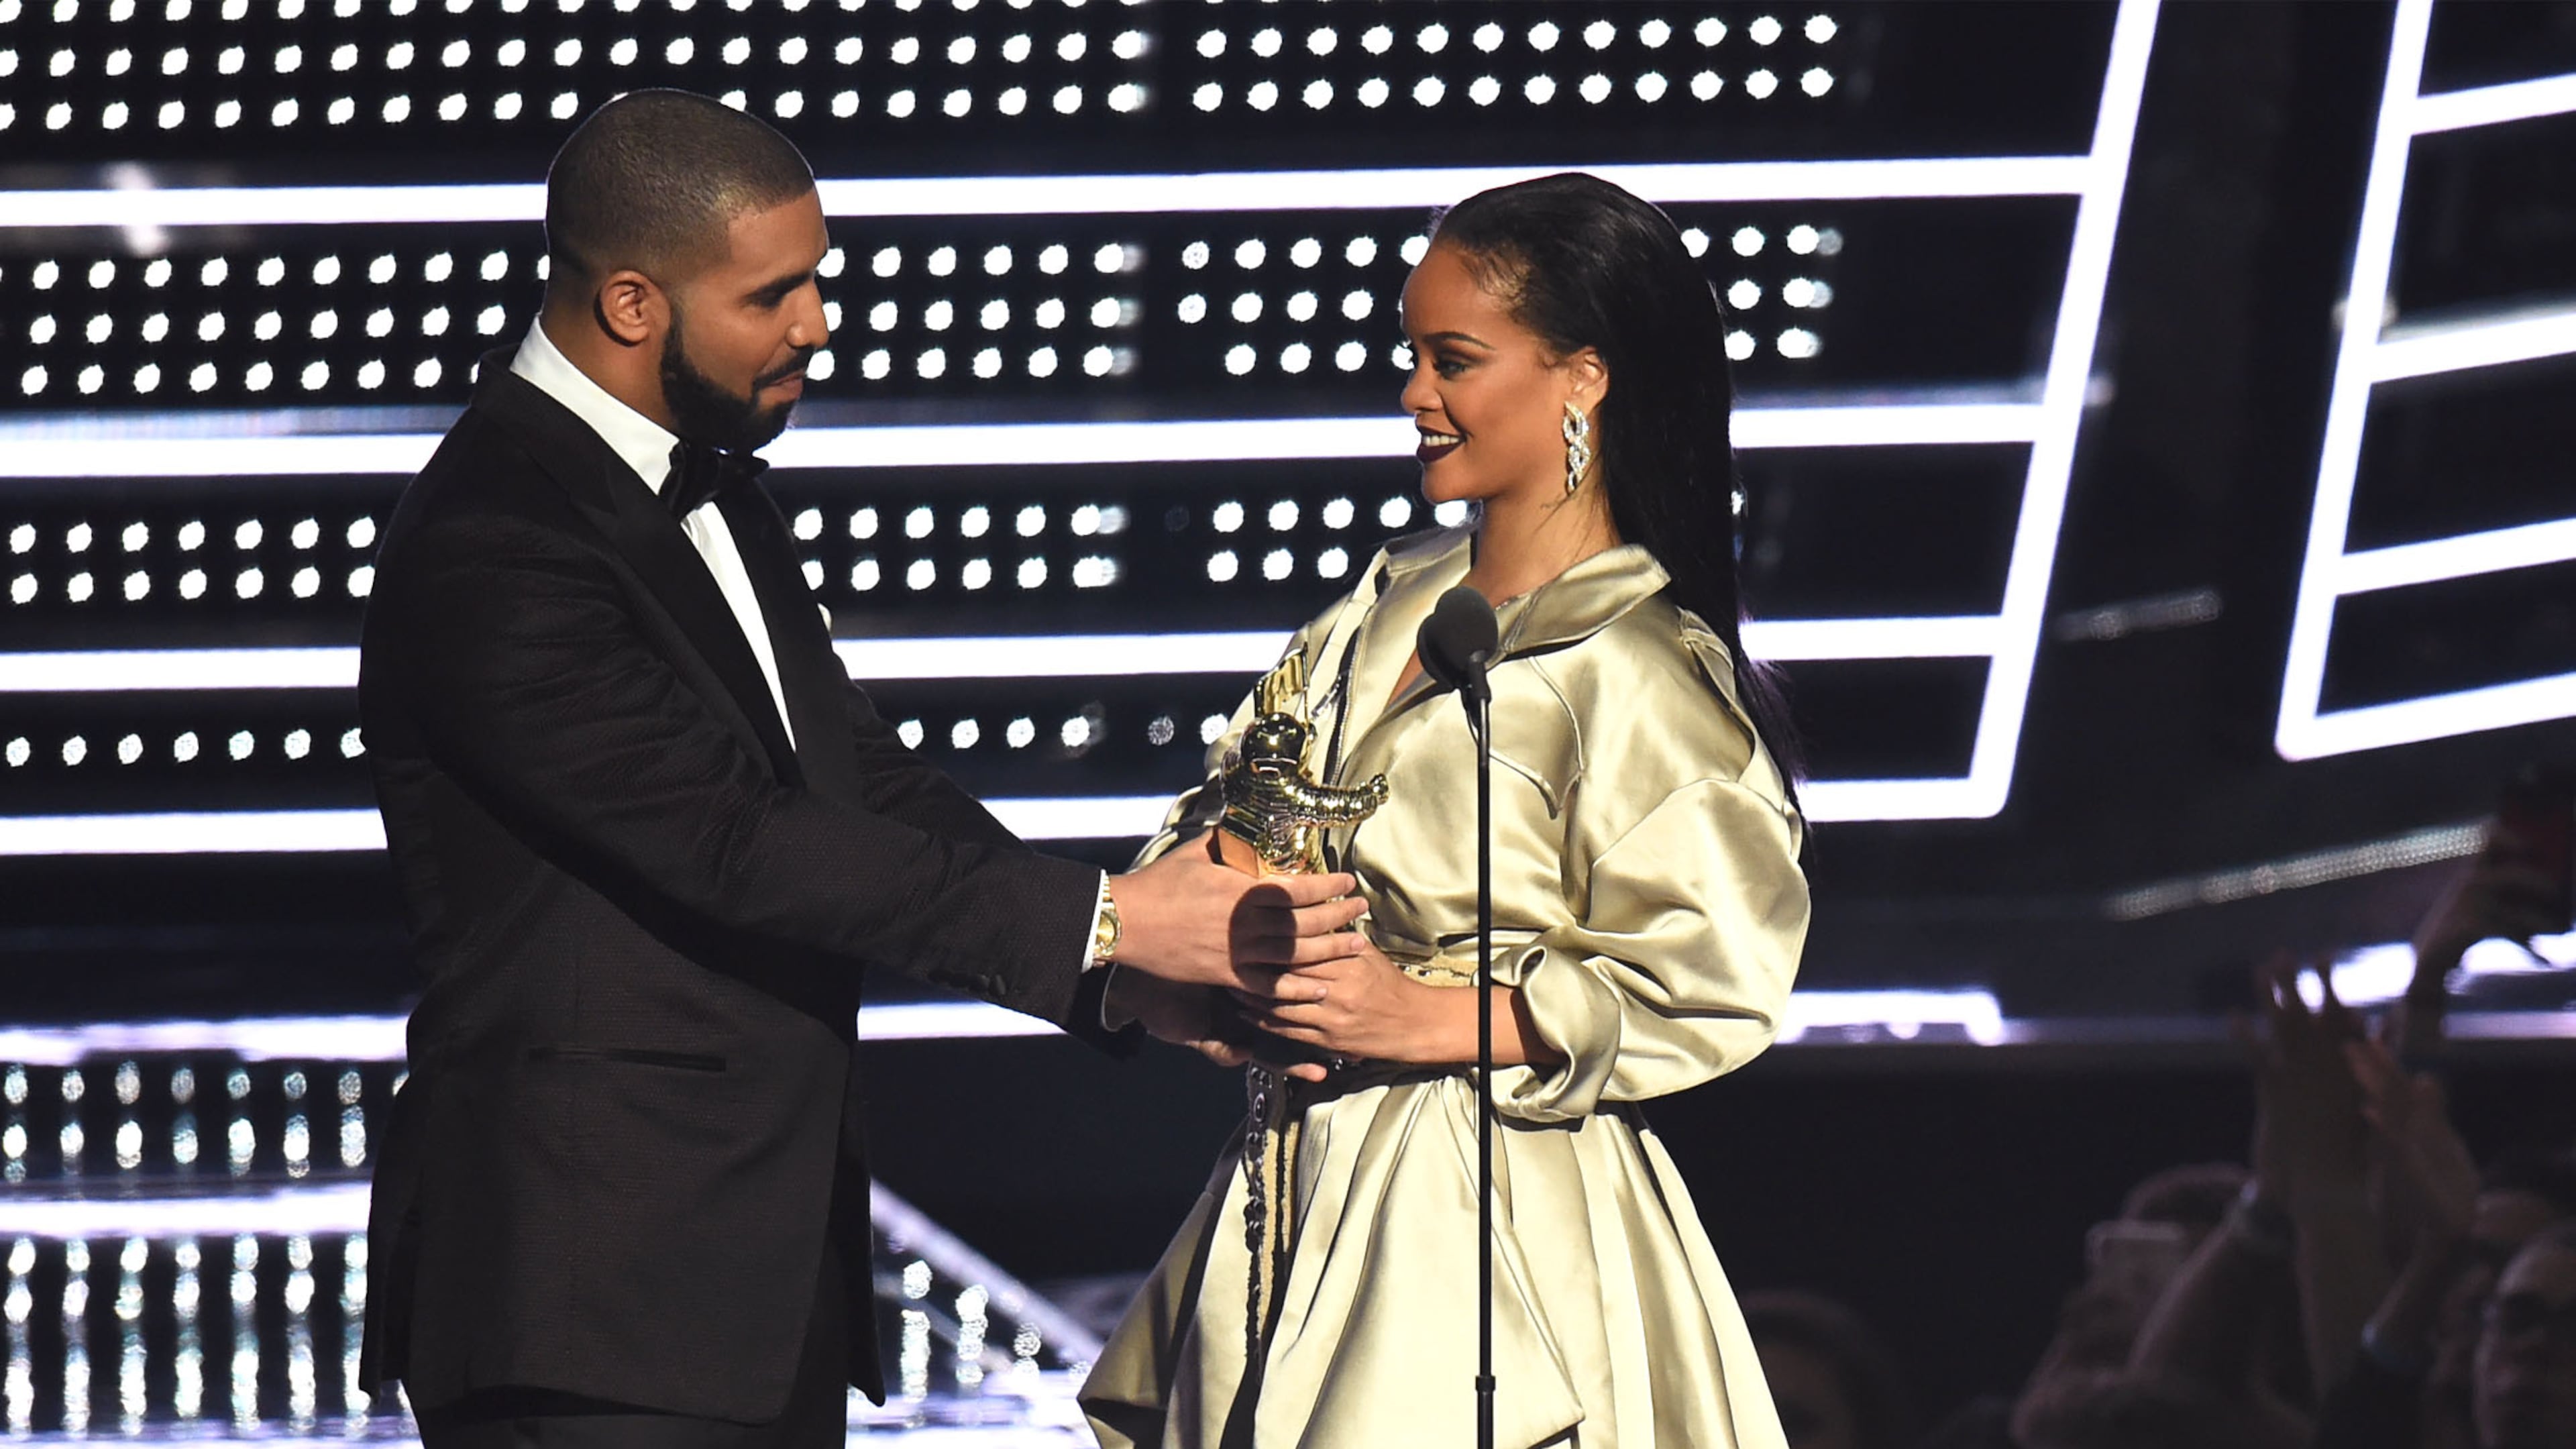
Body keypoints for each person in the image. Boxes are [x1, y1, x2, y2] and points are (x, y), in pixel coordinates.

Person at [356, 91, 1362, 1448]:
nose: (818, 325)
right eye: (774, 295)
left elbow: (855, 782)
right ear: (635, 305)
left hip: (743, 1292)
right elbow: (735, 841)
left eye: (816, 281)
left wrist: (1117, 968)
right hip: (590, 1300)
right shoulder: (497, 545)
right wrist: (1113, 916)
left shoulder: (713, 490)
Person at [1081, 172, 1811, 1447]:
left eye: (1454, 359)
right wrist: (1202, 962)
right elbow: (1223, 808)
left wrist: (1417, 1015)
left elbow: (1718, 975)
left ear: (1583, 377)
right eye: (1413, 356)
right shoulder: (1380, 609)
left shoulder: (1636, 670)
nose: (1415, 395)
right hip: (1289, 1178)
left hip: (1493, 1218)